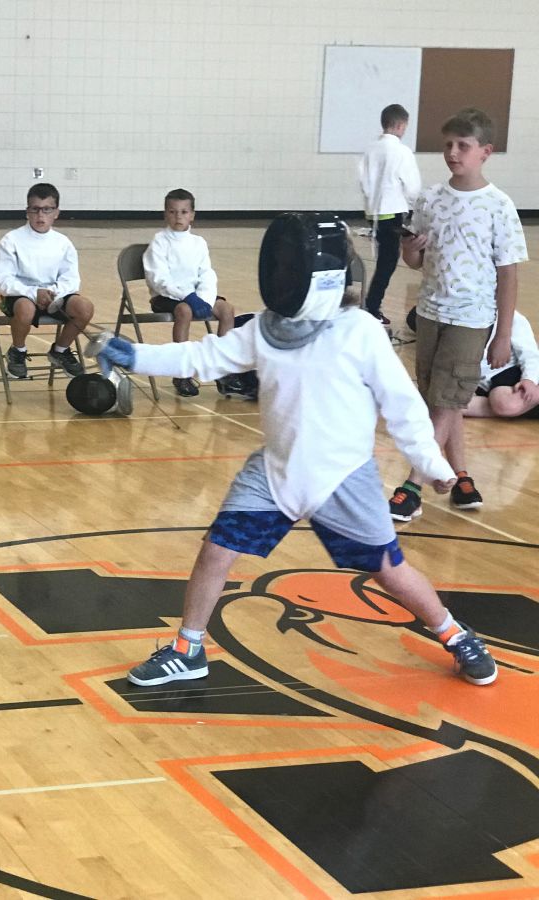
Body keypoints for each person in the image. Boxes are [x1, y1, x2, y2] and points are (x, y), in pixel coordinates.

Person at [93, 212, 498, 689]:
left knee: (388, 570)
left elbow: (403, 406)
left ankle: (454, 634)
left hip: (343, 480)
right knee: (216, 551)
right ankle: (188, 649)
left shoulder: (360, 332)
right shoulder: (266, 329)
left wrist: (431, 463)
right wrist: (136, 355)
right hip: (276, 474)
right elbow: (201, 356)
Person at [388, 108, 528, 521]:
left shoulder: (498, 206)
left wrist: (502, 335)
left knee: (446, 401)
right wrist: (410, 252)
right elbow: (416, 260)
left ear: (485, 152)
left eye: (462, 146)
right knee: (442, 400)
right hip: (430, 313)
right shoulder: (430, 199)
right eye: (448, 144)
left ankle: (413, 483)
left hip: (472, 319)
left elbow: (508, 276)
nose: (452, 152)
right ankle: (462, 477)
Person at [0, 183, 95, 379]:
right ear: (27, 212)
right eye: (35, 209)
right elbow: (2, 279)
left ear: (56, 213)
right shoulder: (11, 240)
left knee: (84, 308)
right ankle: (18, 351)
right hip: (20, 297)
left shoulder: (63, 243)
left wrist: (55, 293)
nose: (40, 215)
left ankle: (61, 350)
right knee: (26, 308)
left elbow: (71, 278)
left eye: (47, 209)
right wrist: (33, 293)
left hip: (55, 297)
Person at [143, 189, 237, 397]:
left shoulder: (198, 243)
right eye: (173, 212)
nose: (178, 217)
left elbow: (207, 274)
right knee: (185, 311)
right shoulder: (159, 241)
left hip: (197, 295)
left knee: (227, 310)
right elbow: (159, 279)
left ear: (192, 215)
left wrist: (203, 298)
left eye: (184, 212)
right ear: (165, 214)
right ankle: (182, 371)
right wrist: (188, 296)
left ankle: (222, 367)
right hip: (167, 296)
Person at [357, 103, 422, 325]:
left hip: (373, 212)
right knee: (387, 263)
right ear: (401, 125)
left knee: (385, 261)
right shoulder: (402, 152)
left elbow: (363, 181)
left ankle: (371, 305)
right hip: (391, 212)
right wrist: (416, 206)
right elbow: (412, 186)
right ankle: (372, 307)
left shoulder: (370, 149)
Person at [463, 310, 539, 420]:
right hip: (480, 382)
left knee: (503, 401)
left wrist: (529, 379)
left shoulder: (510, 318)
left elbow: (529, 354)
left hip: (509, 370)